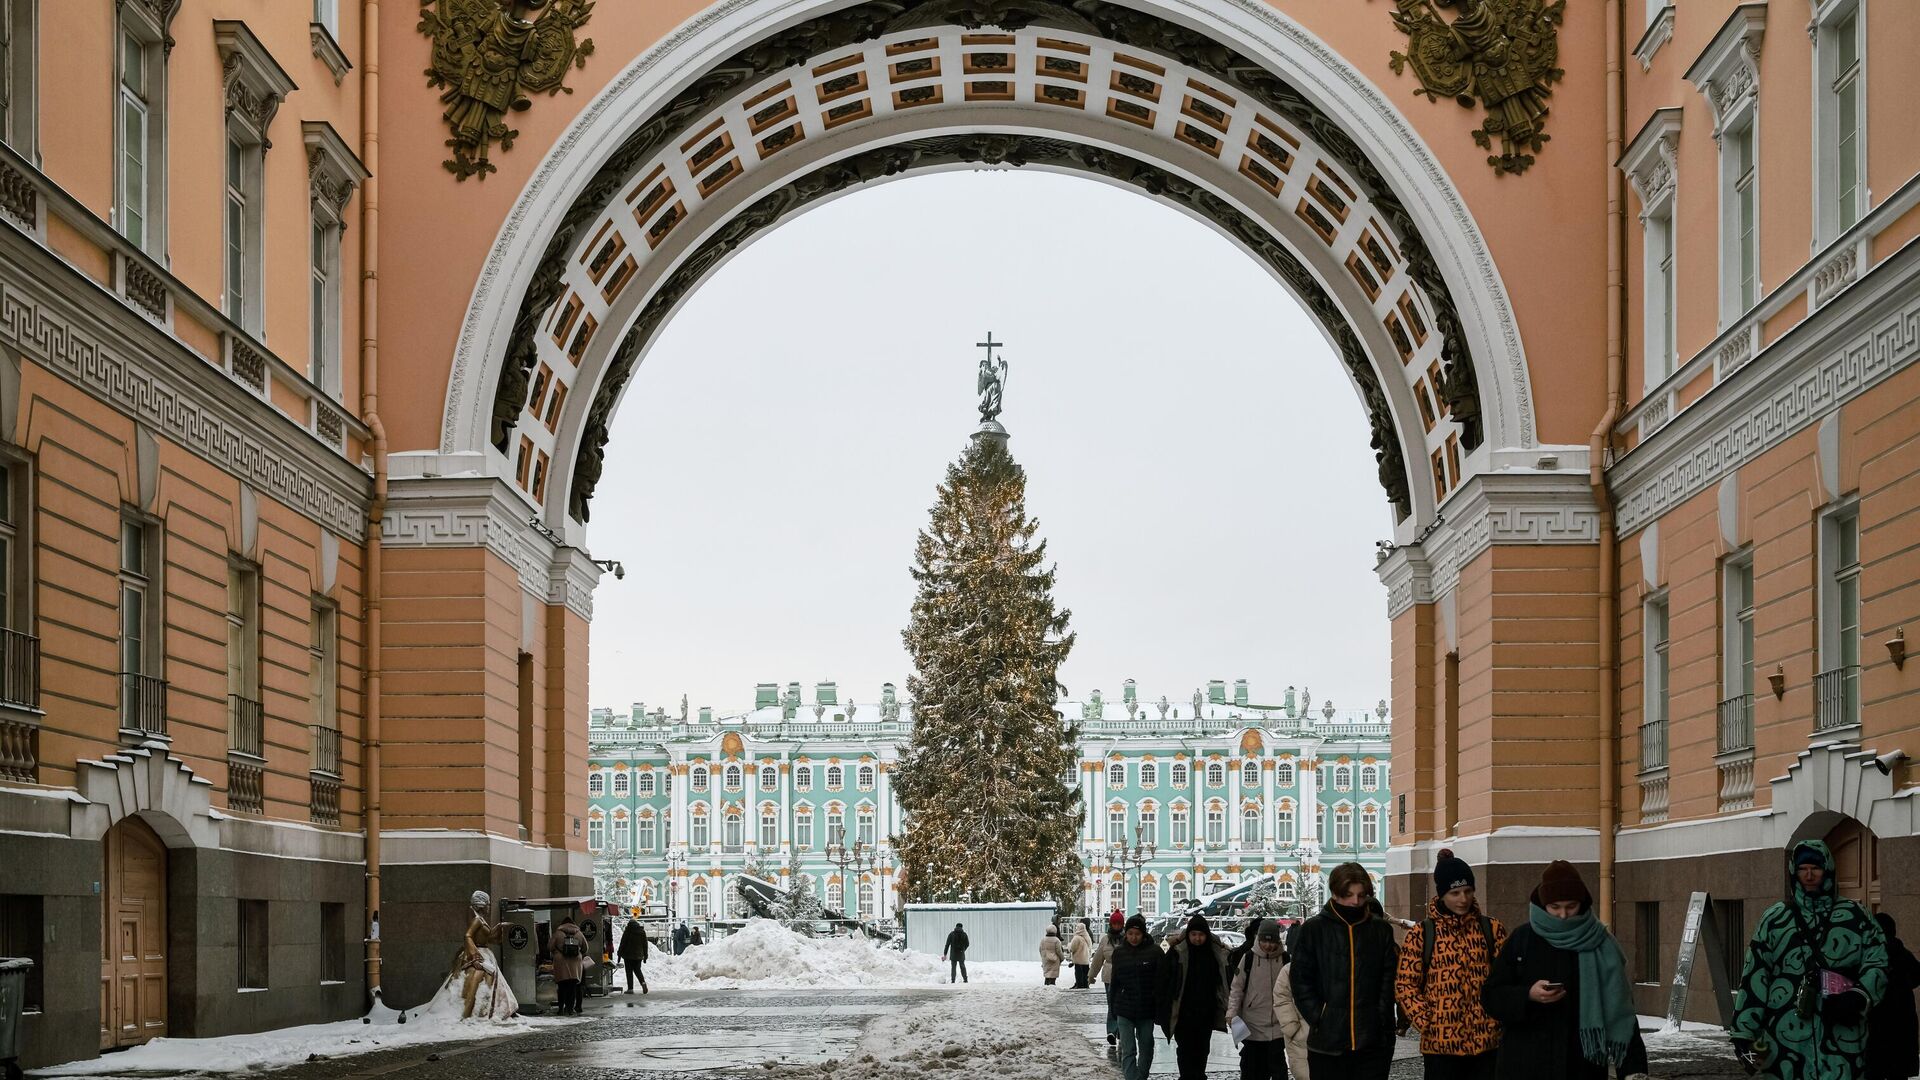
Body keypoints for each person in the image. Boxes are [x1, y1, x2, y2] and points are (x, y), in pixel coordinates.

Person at [1730, 840, 1888, 1079]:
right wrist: (1744, 1031)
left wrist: (1859, 996)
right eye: (1803, 868)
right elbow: (1756, 973)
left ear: (1828, 870)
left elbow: (1878, 961)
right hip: (1785, 1042)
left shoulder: (1856, 916)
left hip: (1841, 1037)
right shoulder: (1775, 918)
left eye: (1816, 868)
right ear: (1794, 872)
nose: (1810, 875)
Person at [1482, 861, 1646, 1080]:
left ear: (1583, 903)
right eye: (1555, 907)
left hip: (1581, 1066)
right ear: (1543, 904)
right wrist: (1527, 994)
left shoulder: (1601, 943)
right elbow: (1491, 996)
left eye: (1570, 906)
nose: (1562, 915)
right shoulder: (1523, 939)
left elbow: (1621, 1010)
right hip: (1525, 1063)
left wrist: (1634, 1071)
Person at [1396, 850, 1506, 1079]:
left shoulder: (1492, 929)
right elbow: (1406, 985)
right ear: (1442, 894)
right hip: (1440, 1047)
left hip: (1486, 1043)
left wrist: (1497, 1019)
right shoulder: (1423, 933)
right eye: (1455, 893)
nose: (1463, 899)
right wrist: (1427, 1021)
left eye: (1467, 891)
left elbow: (1506, 979)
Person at [1290, 862, 1398, 1080]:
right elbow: (1301, 980)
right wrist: (1319, 1015)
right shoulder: (1314, 929)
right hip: (1327, 1043)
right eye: (1348, 895)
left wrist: (1381, 1018)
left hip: (1372, 1042)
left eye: (1360, 895)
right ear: (1335, 894)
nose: (1355, 901)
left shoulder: (1380, 930)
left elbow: (1389, 980)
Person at [1160, 913, 1232, 1080]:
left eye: (1201, 935)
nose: (1197, 939)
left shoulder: (1215, 954)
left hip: (1206, 1012)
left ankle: (1199, 1076)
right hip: (1183, 1012)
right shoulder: (1178, 952)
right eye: (1194, 934)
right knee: (1185, 1050)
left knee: (1202, 1049)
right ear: (1188, 935)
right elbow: (1162, 964)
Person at [1227, 919, 1291, 1080]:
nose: (1268, 946)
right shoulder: (1248, 958)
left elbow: (1293, 990)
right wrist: (1231, 1013)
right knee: (1253, 1068)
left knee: (1278, 1068)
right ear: (1259, 939)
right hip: (1252, 1024)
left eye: (1272, 941)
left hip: (1278, 1024)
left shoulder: (1285, 959)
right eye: (1264, 941)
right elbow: (1237, 988)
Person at [1107, 913, 1164, 1080]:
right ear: (1126, 933)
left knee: (1146, 1046)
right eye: (1130, 933)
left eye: (1137, 934)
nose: (1133, 937)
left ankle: (1141, 1077)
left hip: (1146, 1009)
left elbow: (1161, 981)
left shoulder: (1155, 952)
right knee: (1128, 1049)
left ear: (1143, 934)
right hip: (1124, 1009)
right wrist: (1112, 1008)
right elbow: (1115, 982)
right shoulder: (1119, 953)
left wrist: (1159, 1006)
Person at [1866, 912, 1919, 1080]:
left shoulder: (1871, 955)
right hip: (1902, 1019)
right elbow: (1917, 976)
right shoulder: (1904, 953)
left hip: (1876, 1020)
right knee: (1898, 1072)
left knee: (1875, 1070)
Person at [1273, 938, 1314, 1080]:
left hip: (1323, 1031)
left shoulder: (1326, 967)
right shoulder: (1288, 971)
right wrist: (1291, 1026)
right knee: (1303, 1073)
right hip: (1299, 1032)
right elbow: (1281, 997)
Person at [1093, 911, 1126, 1045]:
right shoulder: (1105, 939)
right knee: (1112, 1004)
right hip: (1109, 977)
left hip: (1124, 976)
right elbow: (1097, 958)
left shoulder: (1127, 938)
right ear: (1111, 924)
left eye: (1119, 923)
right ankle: (1112, 1031)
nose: (1117, 926)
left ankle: (1120, 1030)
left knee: (1123, 1004)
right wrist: (1091, 975)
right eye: (1114, 923)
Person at [551, 916, 591, 1016]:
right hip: (575, 962)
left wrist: (557, 951)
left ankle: (560, 1009)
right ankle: (570, 1009)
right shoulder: (579, 933)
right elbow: (586, 948)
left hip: (561, 962)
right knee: (572, 986)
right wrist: (578, 952)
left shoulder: (558, 933)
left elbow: (549, 946)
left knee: (562, 986)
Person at [617, 918, 649, 995]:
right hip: (638, 955)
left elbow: (623, 943)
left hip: (628, 955)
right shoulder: (642, 932)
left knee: (629, 972)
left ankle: (630, 989)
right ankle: (643, 983)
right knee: (637, 970)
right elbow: (645, 945)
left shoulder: (628, 931)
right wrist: (645, 955)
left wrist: (619, 954)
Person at [1071, 920, 1094, 988]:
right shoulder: (1087, 936)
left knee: (1078, 973)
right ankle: (1085, 985)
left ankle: (1079, 985)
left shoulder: (1076, 938)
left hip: (1078, 959)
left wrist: (1069, 946)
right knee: (1085, 973)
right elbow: (1090, 946)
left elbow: (1072, 948)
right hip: (1086, 959)